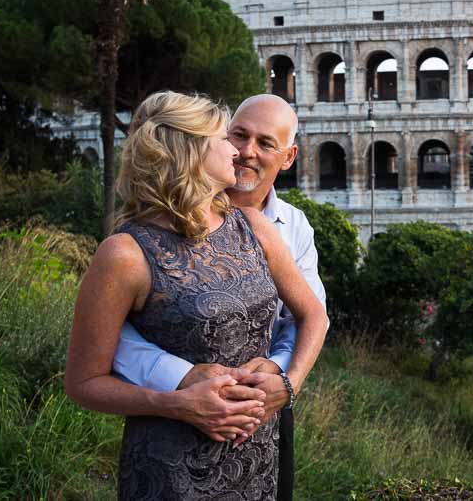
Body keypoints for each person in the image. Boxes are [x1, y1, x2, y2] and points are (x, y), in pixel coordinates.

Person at [64, 92, 328, 500]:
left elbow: (313, 313)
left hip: (257, 454)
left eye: (258, 142)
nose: (238, 151)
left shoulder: (254, 226)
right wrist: (174, 402)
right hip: (171, 468)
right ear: (189, 152)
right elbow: (83, 381)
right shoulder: (123, 254)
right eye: (228, 137)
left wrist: (286, 384)